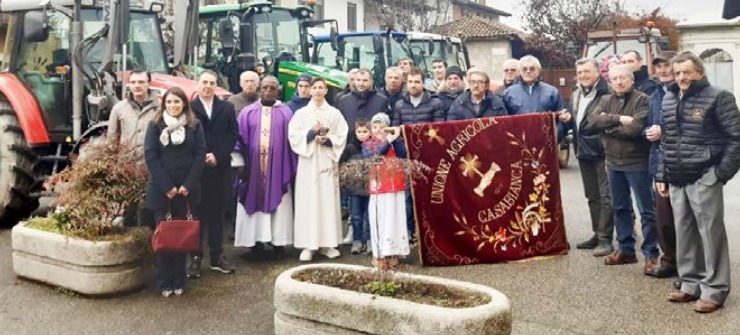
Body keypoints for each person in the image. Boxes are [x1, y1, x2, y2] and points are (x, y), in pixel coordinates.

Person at [656, 52, 740, 313]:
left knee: (710, 234)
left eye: (687, 72)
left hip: (704, 175)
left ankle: (715, 290)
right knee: (685, 233)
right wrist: (662, 174)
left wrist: (719, 174)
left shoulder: (719, 97)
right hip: (677, 177)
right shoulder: (669, 98)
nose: (682, 77)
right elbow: (667, 140)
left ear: (699, 72)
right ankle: (690, 284)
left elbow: (736, 138)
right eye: (678, 72)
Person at [580, 64, 658, 274]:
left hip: (637, 162)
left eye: (624, 78)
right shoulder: (605, 99)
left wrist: (607, 127)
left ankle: (651, 254)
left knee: (646, 210)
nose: (619, 82)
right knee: (620, 208)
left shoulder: (643, 99)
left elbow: (635, 129)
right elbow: (592, 120)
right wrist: (618, 120)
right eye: (615, 79)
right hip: (613, 163)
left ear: (632, 80)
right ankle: (626, 250)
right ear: (611, 81)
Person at [144, 87, 206, 297]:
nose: (173, 106)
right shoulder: (155, 126)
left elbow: (200, 155)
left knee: (181, 239)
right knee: (164, 239)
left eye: (177, 102)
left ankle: (179, 280)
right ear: (164, 104)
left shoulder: (194, 125)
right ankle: (164, 281)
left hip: (186, 191)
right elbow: (151, 156)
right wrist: (167, 187)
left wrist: (187, 185)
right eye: (169, 102)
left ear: (184, 105)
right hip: (162, 191)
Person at [233, 76, 297, 259]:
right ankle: (255, 244)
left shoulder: (286, 113)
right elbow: (239, 140)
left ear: (278, 91)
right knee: (253, 201)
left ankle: (278, 243)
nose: (268, 91)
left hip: (278, 169)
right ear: (260, 89)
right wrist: (240, 164)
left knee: (281, 203)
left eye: (272, 88)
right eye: (265, 88)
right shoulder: (248, 112)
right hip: (253, 170)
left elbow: (292, 141)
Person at [559, 58, 614, 256]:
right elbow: (578, 120)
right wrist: (568, 119)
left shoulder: (608, 93)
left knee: (606, 196)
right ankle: (597, 233)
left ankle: (606, 239)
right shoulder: (575, 94)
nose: (583, 75)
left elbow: (608, 121)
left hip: (603, 151)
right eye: (580, 72)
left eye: (587, 71)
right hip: (583, 151)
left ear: (597, 72)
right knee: (592, 195)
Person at [289, 78, 349, 262]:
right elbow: (293, 135)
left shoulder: (334, 113)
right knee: (308, 201)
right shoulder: (300, 113)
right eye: (313, 87)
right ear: (309, 90)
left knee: (327, 200)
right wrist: (309, 134)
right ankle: (308, 245)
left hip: (326, 161)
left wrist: (328, 140)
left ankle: (327, 244)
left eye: (320, 87)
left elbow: (342, 134)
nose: (316, 90)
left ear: (325, 90)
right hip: (308, 163)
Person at [188, 70, 238, 278]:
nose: (207, 86)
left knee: (217, 214)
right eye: (204, 82)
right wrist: (201, 157)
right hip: (197, 170)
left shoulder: (226, 108)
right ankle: (195, 258)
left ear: (216, 85)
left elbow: (232, 134)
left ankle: (217, 256)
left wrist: (217, 155)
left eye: (211, 83)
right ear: (198, 85)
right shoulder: (190, 109)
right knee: (197, 214)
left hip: (220, 168)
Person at [108, 70, 160, 227]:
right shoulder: (119, 109)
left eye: (141, 82)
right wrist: (113, 165)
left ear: (149, 84)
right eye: (134, 82)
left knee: (149, 209)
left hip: (151, 168)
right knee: (128, 211)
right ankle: (129, 243)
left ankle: (149, 244)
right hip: (127, 167)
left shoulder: (160, 108)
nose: (137, 86)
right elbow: (112, 139)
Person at [644, 51, 679, 279]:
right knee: (663, 218)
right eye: (659, 67)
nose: (663, 70)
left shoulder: (683, 93)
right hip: (659, 163)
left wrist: (663, 132)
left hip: (681, 163)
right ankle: (669, 261)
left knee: (685, 219)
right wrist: (647, 132)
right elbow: (647, 125)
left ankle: (691, 265)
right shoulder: (655, 94)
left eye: (667, 66)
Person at [362, 113, 409, 269]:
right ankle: (379, 253)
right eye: (375, 127)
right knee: (380, 219)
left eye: (382, 127)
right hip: (380, 186)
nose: (378, 130)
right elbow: (375, 156)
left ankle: (394, 251)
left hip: (396, 183)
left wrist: (395, 139)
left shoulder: (394, 141)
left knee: (395, 218)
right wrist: (387, 142)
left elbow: (403, 154)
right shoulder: (368, 144)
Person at [503, 55, 567, 140]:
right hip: (519, 144)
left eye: (532, 69)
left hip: (546, 144)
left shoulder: (552, 92)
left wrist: (554, 139)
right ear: (520, 72)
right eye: (524, 69)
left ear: (538, 71)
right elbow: (504, 122)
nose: (528, 71)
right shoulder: (509, 93)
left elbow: (561, 119)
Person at [337, 68, 390, 163]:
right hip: (350, 150)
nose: (361, 83)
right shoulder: (343, 100)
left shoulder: (382, 100)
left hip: (376, 151)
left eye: (365, 80)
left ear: (371, 81)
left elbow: (386, 126)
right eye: (358, 80)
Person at [348, 118, 371, 254]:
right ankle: (357, 241)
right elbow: (342, 166)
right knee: (356, 216)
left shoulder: (373, 147)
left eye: (365, 131)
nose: (362, 134)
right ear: (355, 132)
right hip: (355, 189)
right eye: (359, 131)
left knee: (368, 217)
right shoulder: (350, 148)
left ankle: (369, 241)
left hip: (369, 189)